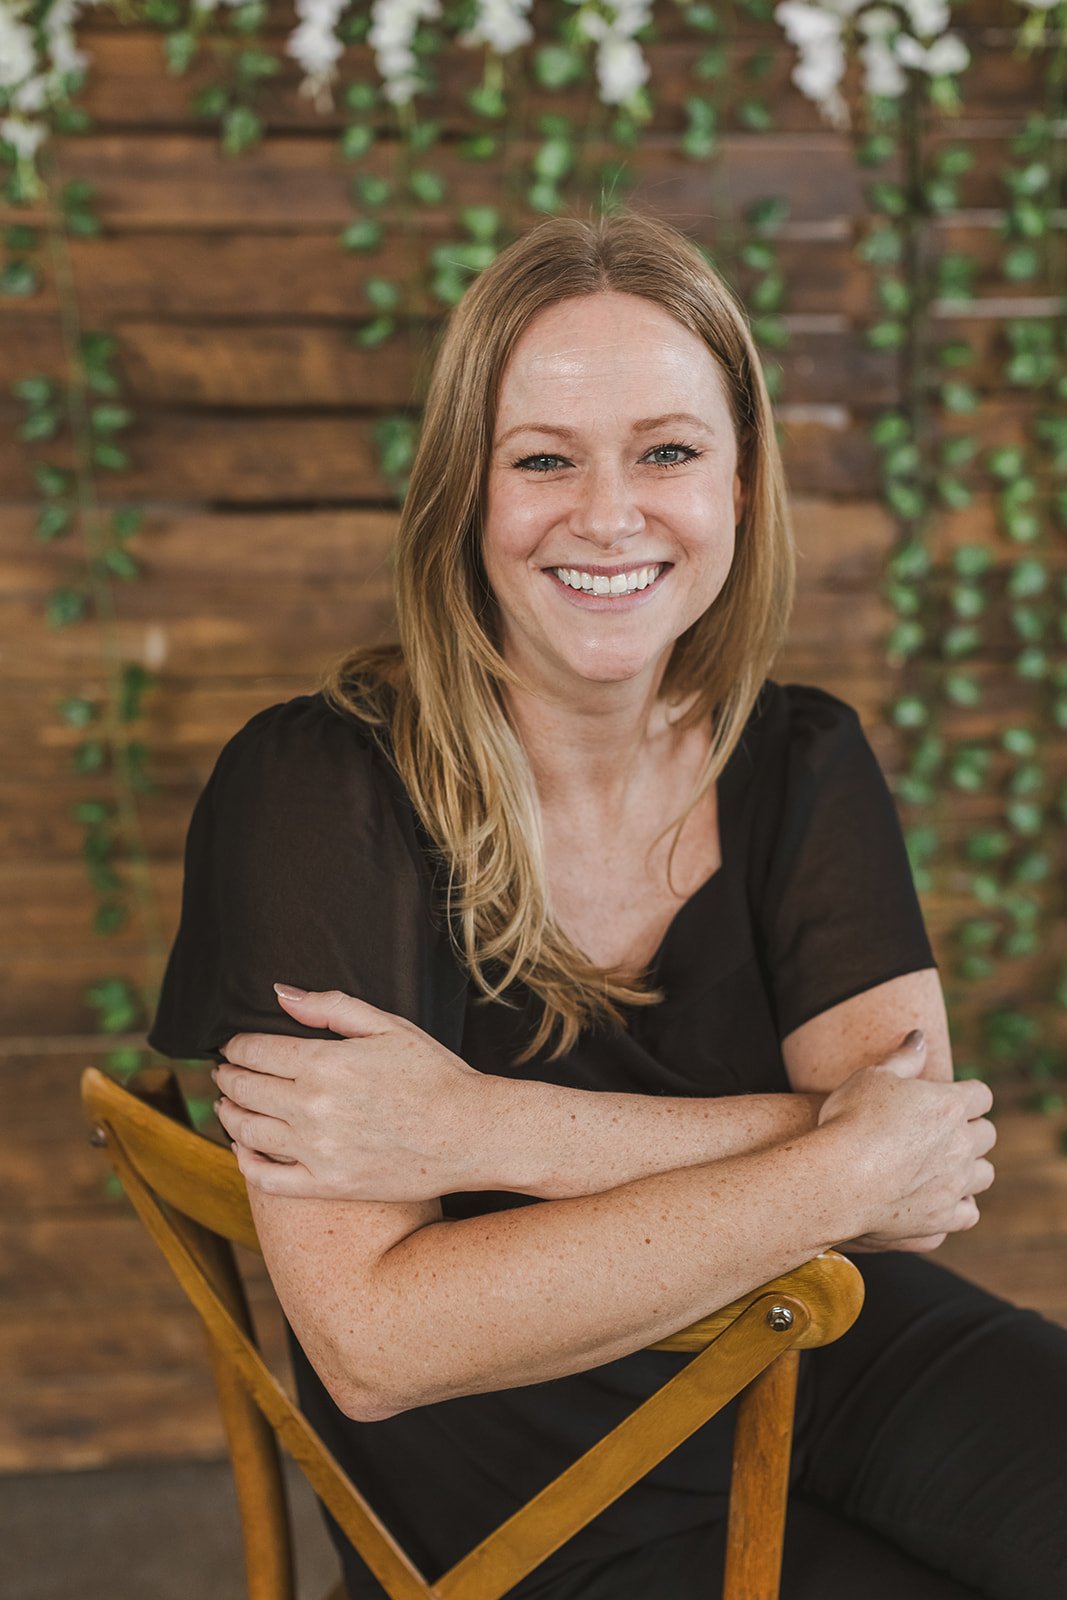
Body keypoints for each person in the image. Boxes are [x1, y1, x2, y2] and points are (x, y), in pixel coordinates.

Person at [147, 209, 1065, 1600]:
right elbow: (380, 1344)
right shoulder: (316, 791)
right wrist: (831, 1163)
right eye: (544, 461)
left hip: (814, 1338)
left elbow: (922, 1181)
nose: (610, 513)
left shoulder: (801, 756)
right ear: (465, 492)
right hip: (527, 1450)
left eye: (669, 453)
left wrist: (479, 1126)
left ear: (741, 485)